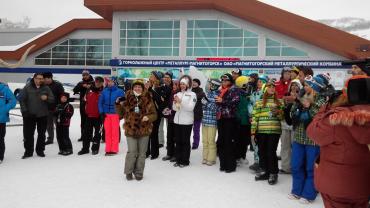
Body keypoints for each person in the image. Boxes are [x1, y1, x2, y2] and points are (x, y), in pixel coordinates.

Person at [307, 77, 370, 208]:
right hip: (363, 186)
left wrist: (324, 110)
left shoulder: (336, 119)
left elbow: (313, 132)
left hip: (337, 186)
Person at [289, 75, 327, 203]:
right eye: (304, 85)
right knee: (295, 165)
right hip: (299, 138)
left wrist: (308, 107)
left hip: (313, 141)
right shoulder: (300, 98)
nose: (304, 87)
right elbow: (292, 113)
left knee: (311, 168)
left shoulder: (322, 100)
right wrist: (298, 105)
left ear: (315, 87)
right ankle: (296, 190)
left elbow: (318, 116)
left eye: (307, 85)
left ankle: (309, 194)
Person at [116, 79, 157, 181]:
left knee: (142, 153)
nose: (137, 88)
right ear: (132, 88)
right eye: (135, 87)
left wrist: (148, 118)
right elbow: (120, 115)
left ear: (143, 88)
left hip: (144, 130)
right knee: (132, 152)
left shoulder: (148, 98)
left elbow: (154, 115)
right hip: (131, 129)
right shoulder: (126, 98)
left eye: (139, 87)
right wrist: (117, 105)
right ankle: (129, 172)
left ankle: (139, 172)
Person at [251, 80, 284, 185]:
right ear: (265, 89)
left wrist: (278, 113)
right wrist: (253, 132)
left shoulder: (280, 102)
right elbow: (255, 118)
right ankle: (265, 171)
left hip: (274, 131)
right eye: (269, 86)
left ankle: (273, 173)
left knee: (270, 152)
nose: (271, 88)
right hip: (261, 131)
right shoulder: (259, 103)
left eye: (273, 87)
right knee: (261, 152)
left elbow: (282, 118)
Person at [19, 73, 55, 159]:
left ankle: (40, 150)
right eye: (38, 78)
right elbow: (22, 99)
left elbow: (52, 99)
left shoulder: (46, 88)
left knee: (41, 134)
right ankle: (28, 152)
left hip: (42, 114)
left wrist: (47, 98)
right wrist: (25, 111)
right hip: (29, 115)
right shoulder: (27, 87)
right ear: (34, 78)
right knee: (28, 134)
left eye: (42, 78)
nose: (40, 80)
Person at [216, 73, 240, 173]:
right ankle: (223, 164)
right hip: (221, 118)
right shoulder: (220, 90)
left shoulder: (234, 89)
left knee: (228, 142)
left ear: (230, 81)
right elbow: (218, 102)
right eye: (222, 80)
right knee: (221, 141)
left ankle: (230, 166)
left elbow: (235, 102)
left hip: (229, 119)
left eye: (226, 80)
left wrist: (223, 101)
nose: (224, 82)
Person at [173, 75, 197, 168]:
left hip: (187, 121)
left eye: (184, 84)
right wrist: (175, 103)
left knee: (185, 141)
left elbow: (190, 108)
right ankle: (178, 159)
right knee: (178, 141)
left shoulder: (192, 94)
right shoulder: (178, 94)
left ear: (187, 85)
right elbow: (175, 108)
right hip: (177, 121)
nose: (182, 85)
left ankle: (185, 160)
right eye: (181, 84)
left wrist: (181, 102)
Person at [280, 79, 303, 174]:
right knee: (285, 146)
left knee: (296, 148)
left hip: (296, 125)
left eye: (296, 85)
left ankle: (296, 168)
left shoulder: (302, 96)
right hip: (285, 124)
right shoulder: (286, 95)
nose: (294, 87)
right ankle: (286, 167)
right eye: (292, 85)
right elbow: (281, 107)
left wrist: (297, 100)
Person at [98, 76, 125, 156]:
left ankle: (114, 149)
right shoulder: (104, 91)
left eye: (111, 82)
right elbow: (100, 102)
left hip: (115, 114)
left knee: (115, 132)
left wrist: (121, 114)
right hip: (106, 114)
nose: (110, 83)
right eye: (108, 82)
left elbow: (123, 104)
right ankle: (108, 148)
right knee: (107, 132)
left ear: (115, 82)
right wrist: (101, 112)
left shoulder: (120, 91)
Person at [78, 76, 104, 155]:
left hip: (98, 117)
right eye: (97, 81)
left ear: (102, 83)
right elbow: (84, 100)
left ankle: (95, 149)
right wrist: (85, 111)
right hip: (88, 116)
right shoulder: (89, 90)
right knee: (86, 134)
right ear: (95, 82)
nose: (98, 83)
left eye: (100, 82)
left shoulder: (104, 91)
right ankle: (85, 149)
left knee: (97, 134)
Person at [147, 71, 169, 160]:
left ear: (156, 78)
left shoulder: (161, 87)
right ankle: (146, 152)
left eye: (152, 75)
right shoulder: (148, 85)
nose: (150, 77)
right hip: (147, 113)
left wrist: (150, 90)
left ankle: (154, 153)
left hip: (156, 113)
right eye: (150, 75)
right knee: (147, 132)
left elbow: (160, 100)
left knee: (154, 133)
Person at [201, 79, 220, 166]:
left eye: (211, 84)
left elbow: (216, 109)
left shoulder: (218, 95)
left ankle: (211, 159)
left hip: (212, 122)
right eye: (209, 84)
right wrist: (203, 104)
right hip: (205, 120)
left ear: (214, 85)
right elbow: (204, 108)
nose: (209, 86)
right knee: (205, 141)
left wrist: (207, 103)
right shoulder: (207, 94)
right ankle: (205, 157)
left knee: (211, 141)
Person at [43, 72, 65, 145]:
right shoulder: (43, 85)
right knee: (48, 125)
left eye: (48, 78)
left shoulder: (57, 85)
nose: (47, 80)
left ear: (51, 78)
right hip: (47, 108)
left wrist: (60, 106)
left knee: (58, 124)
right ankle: (50, 138)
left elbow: (62, 95)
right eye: (45, 78)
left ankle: (61, 138)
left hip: (56, 108)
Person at [235, 76, 252, 165]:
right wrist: (239, 117)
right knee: (238, 140)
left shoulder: (247, 94)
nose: (248, 86)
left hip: (247, 121)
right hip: (240, 122)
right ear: (243, 85)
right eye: (246, 84)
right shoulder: (237, 94)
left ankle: (242, 156)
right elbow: (237, 108)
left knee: (245, 141)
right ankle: (237, 157)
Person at [73, 70, 94, 142]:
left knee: (90, 121)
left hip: (91, 105)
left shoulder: (93, 83)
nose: (85, 76)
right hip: (83, 104)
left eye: (86, 75)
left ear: (89, 75)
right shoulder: (80, 83)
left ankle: (90, 136)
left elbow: (98, 90)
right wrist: (81, 86)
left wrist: (90, 87)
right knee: (83, 121)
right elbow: (74, 90)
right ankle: (83, 136)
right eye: (83, 75)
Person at [162, 80, 179, 162]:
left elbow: (178, 107)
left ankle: (176, 154)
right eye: (173, 85)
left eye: (176, 85)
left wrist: (171, 111)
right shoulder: (172, 93)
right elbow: (169, 105)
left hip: (177, 119)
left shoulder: (179, 94)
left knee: (176, 137)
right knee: (169, 137)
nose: (174, 86)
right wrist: (166, 110)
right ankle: (169, 153)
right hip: (170, 118)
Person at [0, 81, 17, 163]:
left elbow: (13, 100)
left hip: (1, 119)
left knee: (0, 138)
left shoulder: (4, 89)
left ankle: (0, 156)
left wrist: (4, 109)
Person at [158, 71, 173, 148]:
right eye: (165, 77)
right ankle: (160, 142)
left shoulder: (173, 86)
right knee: (160, 126)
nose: (166, 79)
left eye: (168, 77)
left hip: (169, 109)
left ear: (171, 78)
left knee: (169, 127)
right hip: (161, 108)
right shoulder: (160, 86)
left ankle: (169, 142)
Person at [191, 78, 206, 149]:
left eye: (195, 82)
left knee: (196, 130)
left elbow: (205, 103)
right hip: (189, 114)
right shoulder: (189, 91)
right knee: (187, 130)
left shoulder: (202, 93)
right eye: (193, 82)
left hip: (197, 114)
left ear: (198, 84)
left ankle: (195, 144)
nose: (193, 83)